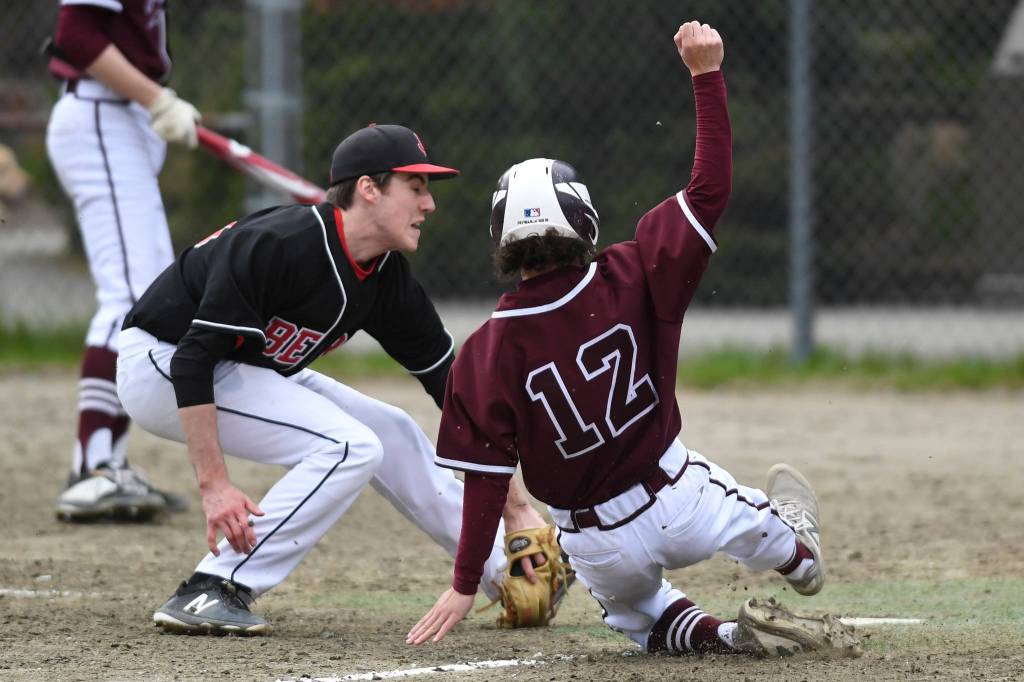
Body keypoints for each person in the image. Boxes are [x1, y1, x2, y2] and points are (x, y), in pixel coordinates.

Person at [407, 22, 860, 658]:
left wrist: (463, 584)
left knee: (642, 620)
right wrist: (706, 76)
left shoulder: (484, 351)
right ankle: (797, 555)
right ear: (582, 219)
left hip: (591, 538)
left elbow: (485, 481)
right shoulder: (634, 268)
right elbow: (710, 189)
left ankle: (726, 637)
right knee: (767, 531)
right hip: (680, 499)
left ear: (501, 239)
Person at [115, 123, 551, 635]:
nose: (429, 204)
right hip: (162, 364)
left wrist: (516, 506)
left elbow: (453, 389)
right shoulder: (279, 245)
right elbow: (193, 360)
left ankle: (512, 573)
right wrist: (215, 485)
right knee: (349, 445)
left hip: (238, 369)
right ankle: (213, 587)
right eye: (416, 187)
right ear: (369, 188)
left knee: (390, 431)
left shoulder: (384, 275)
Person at [45, 0, 197, 522]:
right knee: (130, 299)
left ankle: (105, 462)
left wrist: (153, 105)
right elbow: (78, 33)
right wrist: (158, 99)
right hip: (101, 114)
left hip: (123, 118)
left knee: (148, 298)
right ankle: (91, 468)